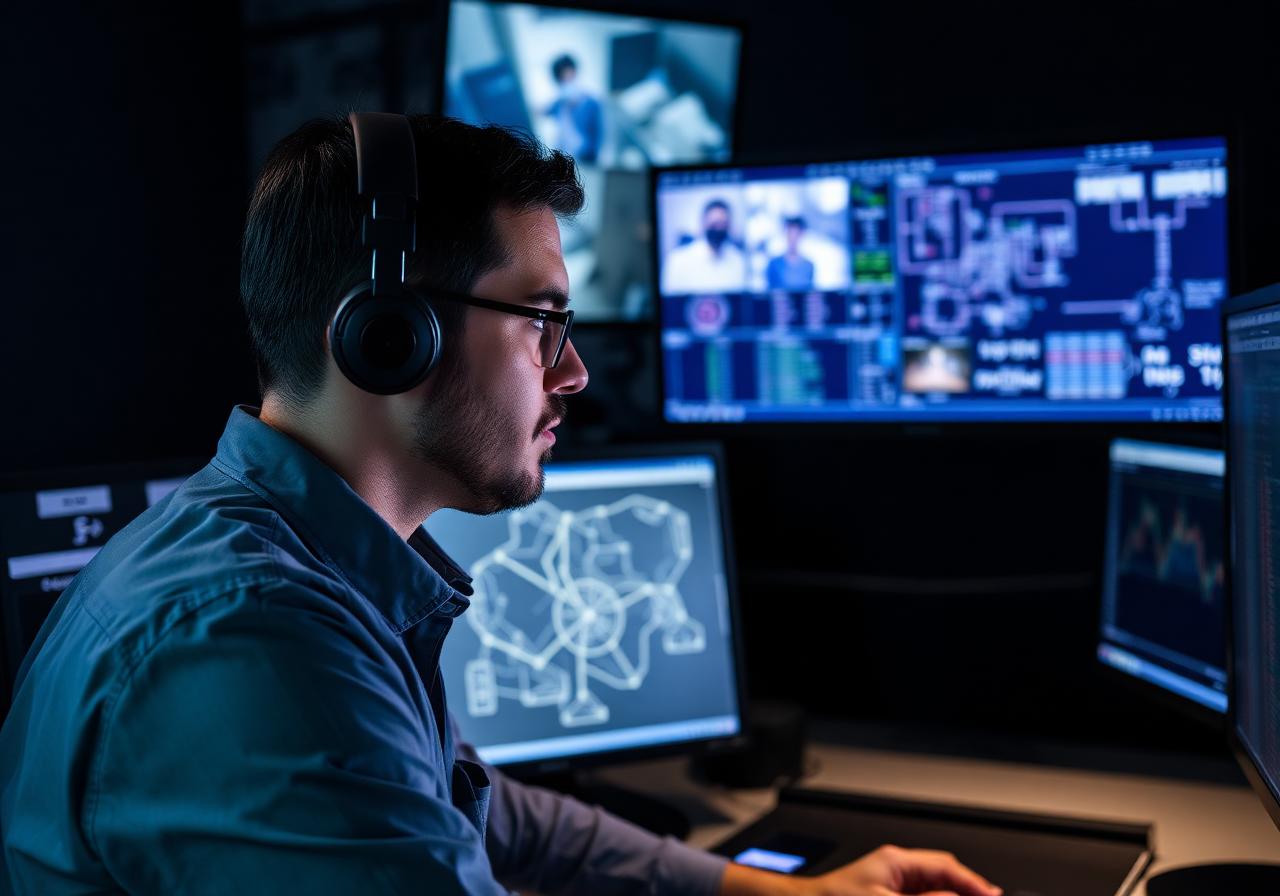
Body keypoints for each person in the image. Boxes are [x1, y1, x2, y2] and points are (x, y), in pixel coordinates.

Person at [0, 113, 1001, 896]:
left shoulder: (301, 564)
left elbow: (480, 809)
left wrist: (763, 886)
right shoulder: (250, 643)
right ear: (390, 336)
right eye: (543, 323)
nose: (570, 374)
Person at [661, 198, 749, 296]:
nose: (718, 229)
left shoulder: (739, 260)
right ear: (703, 223)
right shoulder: (678, 260)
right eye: (714, 224)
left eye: (723, 224)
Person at [544, 54, 602, 164]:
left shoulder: (591, 102)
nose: (566, 81)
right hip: (563, 158)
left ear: (575, 73)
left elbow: (597, 137)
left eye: (568, 75)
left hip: (585, 159)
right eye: (561, 78)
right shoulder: (559, 103)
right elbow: (542, 111)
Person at [765, 216, 816, 291]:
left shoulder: (809, 265)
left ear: (801, 235)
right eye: (789, 234)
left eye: (796, 234)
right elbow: (770, 292)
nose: (792, 238)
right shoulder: (774, 264)